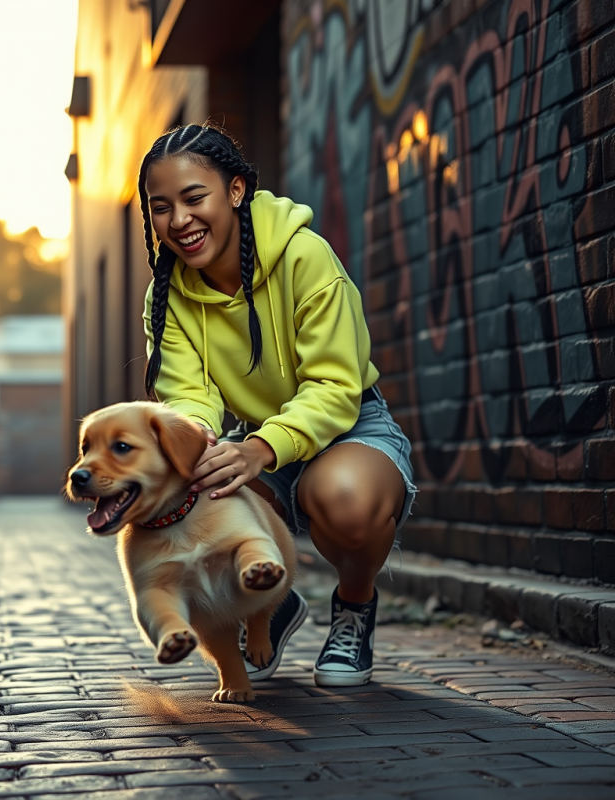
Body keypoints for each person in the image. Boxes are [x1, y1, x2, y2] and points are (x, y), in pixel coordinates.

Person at [138, 123, 417, 687]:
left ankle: (354, 610)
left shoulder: (303, 255)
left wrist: (264, 448)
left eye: (195, 198)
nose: (180, 221)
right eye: (161, 207)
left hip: (347, 425)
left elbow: (335, 386)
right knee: (205, 503)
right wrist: (195, 446)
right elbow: (191, 397)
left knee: (342, 500)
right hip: (256, 436)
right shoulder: (167, 296)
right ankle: (270, 603)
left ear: (235, 191)